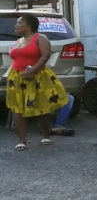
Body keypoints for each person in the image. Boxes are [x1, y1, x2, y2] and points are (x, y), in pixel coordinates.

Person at [5, 13, 69, 150]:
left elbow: (46, 55)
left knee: (41, 108)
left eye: (19, 23)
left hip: (36, 77)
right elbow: (15, 61)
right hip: (17, 79)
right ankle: (22, 141)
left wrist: (32, 70)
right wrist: (6, 76)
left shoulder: (40, 38)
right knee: (18, 109)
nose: (16, 26)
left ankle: (46, 134)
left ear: (29, 25)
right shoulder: (19, 41)